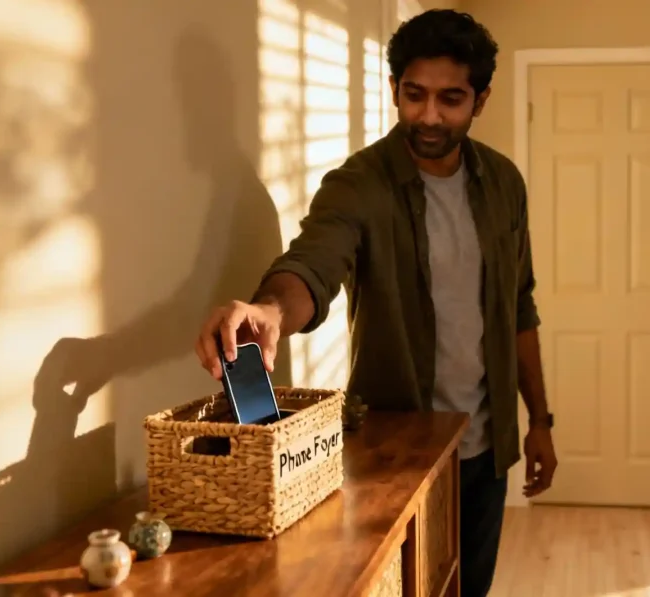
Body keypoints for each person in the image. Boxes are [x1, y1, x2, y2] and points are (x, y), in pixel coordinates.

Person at [194, 9, 557, 597]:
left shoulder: (503, 184)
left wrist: (539, 421)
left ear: (481, 99)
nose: (429, 116)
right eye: (414, 95)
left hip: (488, 454)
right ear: (394, 89)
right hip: (398, 455)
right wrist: (270, 311)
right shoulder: (359, 183)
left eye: (451, 99)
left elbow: (520, 306)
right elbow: (313, 263)